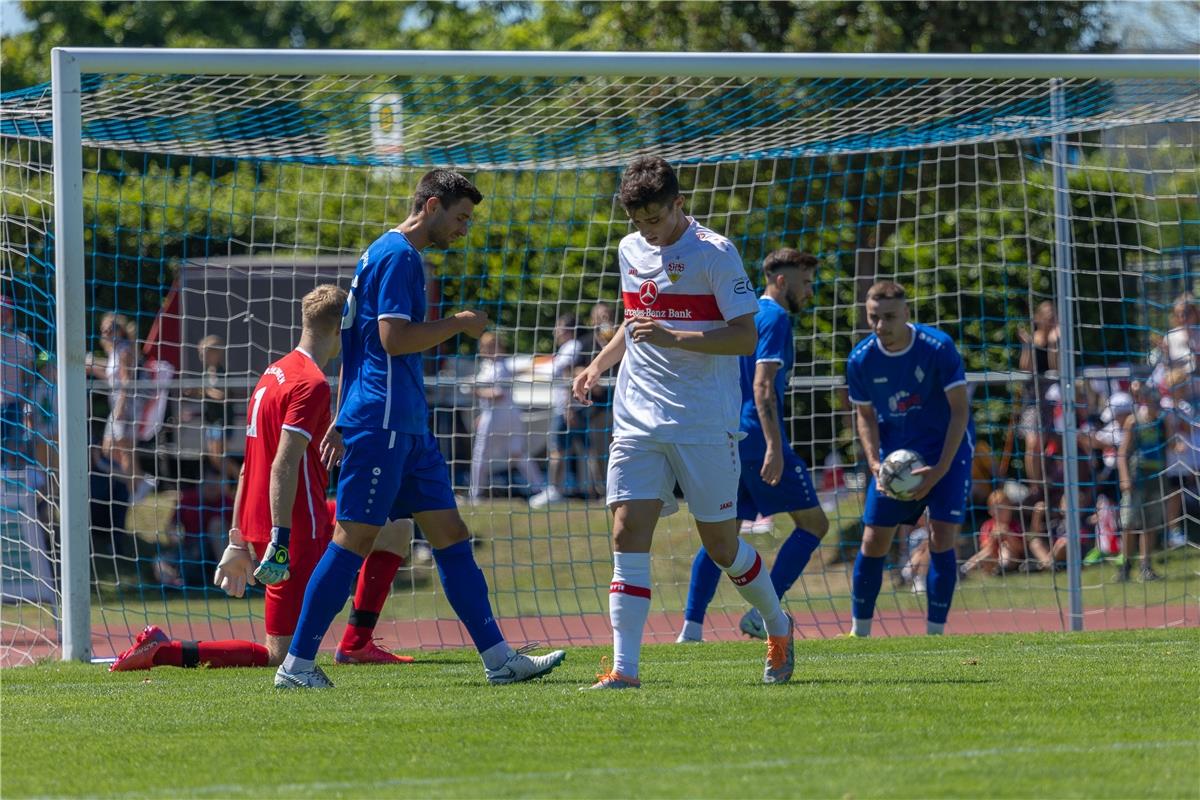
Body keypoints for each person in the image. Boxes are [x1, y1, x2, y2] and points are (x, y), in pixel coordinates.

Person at [275, 169, 565, 689]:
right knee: (353, 540)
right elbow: (391, 339)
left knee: (451, 535)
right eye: (460, 218)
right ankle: (296, 665)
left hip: (404, 425)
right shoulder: (399, 257)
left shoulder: (386, 255)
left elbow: (358, 346)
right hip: (384, 424)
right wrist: (458, 323)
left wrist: (342, 416)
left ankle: (499, 659)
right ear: (431, 206)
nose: (464, 229)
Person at [572, 156, 794, 689]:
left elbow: (745, 336)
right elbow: (635, 321)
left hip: (701, 421)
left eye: (656, 218)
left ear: (679, 203)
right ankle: (625, 669)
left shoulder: (715, 253)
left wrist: (675, 338)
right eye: (639, 221)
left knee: (721, 547)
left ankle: (778, 624)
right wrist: (599, 365)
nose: (648, 230)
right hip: (636, 416)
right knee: (627, 531)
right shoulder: (629, 249)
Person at [110, 285, 414, 671]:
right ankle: (162, 649)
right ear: (342, 328)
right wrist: (281, 541)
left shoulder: (272, 374)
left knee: (394, 526)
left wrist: (238, 538)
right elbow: (282, 465)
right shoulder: (312, 384)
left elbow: (251, 465)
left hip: (268, 519)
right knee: (279, 655)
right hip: (294, 525)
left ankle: (356, 643)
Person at [676, 248, 829, 643]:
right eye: (806, 282)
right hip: (760, 438)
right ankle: (765, 613)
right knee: (814, 524)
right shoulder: (775, 317)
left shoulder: (742, 314)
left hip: (731, 436)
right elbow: (763, 386)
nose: (810, 291)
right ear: (782, 281)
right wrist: (775, 447)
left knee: (723, 535)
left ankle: (691, 628)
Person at [843, 280, 974, 637]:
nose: (880, 326)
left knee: (941, 537)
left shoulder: (938, 348)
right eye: (873, 318)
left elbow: (960, 412)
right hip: (894, 460)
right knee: (873, 540)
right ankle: (860, 631)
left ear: (906, 313)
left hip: (945, 453)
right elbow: (865, 415)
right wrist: (873, 462)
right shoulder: (861, 359)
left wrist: (939, 470)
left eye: (888, 317)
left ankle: (935, 633)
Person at [468, 331, 545, 502]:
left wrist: (476, 391)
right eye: (485, 347)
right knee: (516, 453)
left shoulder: (500, 366)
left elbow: (498, 394)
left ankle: (475, 494)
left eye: (492, 346)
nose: (488, 350)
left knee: (481, 453)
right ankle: (539, 486)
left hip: (500, 415)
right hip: (500, 414)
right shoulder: (488, 365)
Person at [529, 313, 587, 508]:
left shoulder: (572, 347)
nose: (555, 330)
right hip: (567, 407)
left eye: (559, 326)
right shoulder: (567, 348)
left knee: (558, 449)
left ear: (568, 329)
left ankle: (554, 489)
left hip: (567, 407)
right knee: (575, 449)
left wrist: (532, 367)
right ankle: (586, 489)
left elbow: (562, 373)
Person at [1116, 380, 1168, 583]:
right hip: (1136, 477)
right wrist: (1124, 477)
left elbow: (1169, 445)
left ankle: (1145, 566)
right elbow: (1122, 453)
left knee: (1150, 523)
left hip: (1156, 478)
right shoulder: (1133, 421)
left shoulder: (1162, 422)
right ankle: (1125, 565)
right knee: (1129, 523)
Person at [1018, 300, 1060, 489]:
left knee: (1046, 443)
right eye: (1046, 313)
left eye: (1053, 313)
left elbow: (1055, 367)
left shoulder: (1057, 338)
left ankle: (1046, 482)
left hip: (1052, 399)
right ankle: (1035, 486)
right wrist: (1028, 346)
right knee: (1033, 442)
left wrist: (1053, 342)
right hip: (1033, 399)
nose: (1050, 317)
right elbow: (1025, 369)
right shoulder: (1033, 339)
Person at [1, 294, 36, 469]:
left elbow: (28, 376)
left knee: (13, 449)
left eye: (4, 315)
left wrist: (27, 406)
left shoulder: (21, 341)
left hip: (14, 405)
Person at [960, 489, 1025, 576]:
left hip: (1013, 559)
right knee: (986, 553)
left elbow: (1021, 548)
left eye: (1005, 508)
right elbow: (984, 547)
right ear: (990, 512)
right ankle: (964, 569)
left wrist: (1008, 535)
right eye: (999, 510)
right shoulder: (988, 526)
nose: (1003, 512)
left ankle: (1003, 568)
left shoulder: (1015, 525)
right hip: (993, 559)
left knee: (1005, 547)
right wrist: (993, 538)